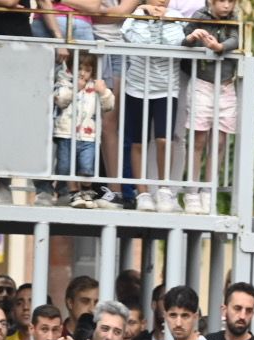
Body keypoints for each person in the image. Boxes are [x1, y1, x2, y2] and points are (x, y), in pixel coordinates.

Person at [123, 0, 186, 213]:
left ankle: (164, 190)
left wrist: (166, 18)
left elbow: (175, 42)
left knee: (163, 140)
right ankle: (142, 193)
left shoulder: (176, 17)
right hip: (137, 87)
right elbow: (132, 38)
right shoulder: (135, 16)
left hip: (166, 88)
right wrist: (141, 13)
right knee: (138, 143)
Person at [181, 0, 239, 214]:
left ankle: (209, 192)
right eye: (222, 1)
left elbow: (236, 39)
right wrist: (193, 37)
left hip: (226, 85)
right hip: (203, 83)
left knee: (220, 140)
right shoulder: (200, 16)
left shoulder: (234, 19)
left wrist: (220, 47)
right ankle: (192, 192)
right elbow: (184, 41)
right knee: (199, 138)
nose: (227, 6)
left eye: (231, 2)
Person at [47, 52, 114, 210]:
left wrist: (104, 92)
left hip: (88, 135)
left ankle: (86, 191)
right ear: (71, 68)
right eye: (79, 68)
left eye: (87, 70)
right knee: (65, 166)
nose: (83, 73)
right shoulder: (65, 82)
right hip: (66, 133)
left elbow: (109, 105)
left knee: (87, 167)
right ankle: (73, 192)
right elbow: (61, 100)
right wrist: (74, 89)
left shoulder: (96, 86)